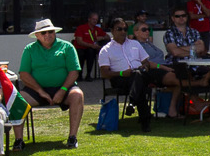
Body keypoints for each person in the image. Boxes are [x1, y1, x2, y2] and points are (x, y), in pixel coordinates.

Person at [17, 19, 85, 148]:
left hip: (64, 88)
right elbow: (24, 74)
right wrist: (41, 91)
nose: (47, 35)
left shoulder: (67, 47)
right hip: (36, 90)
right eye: (43, 33)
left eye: (50, 31)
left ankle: (72, 137)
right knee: (18, 100)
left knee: (77, 95)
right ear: (37, 35)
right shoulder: (29, 49)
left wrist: (62, 90)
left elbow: (74, 72)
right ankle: (18, 140)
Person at [94, 21, 155, 130]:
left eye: (125, 29)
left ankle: (132, 103)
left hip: (139, 75)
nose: (123, 32)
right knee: (140, 86)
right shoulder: (106, 50)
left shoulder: (135, 44)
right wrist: (122, 73)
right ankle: (143, 120)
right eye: (119, 29)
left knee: (138, 76)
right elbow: (104, 73)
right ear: (112, 31)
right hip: (120, 78)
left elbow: (145, 62)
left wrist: (144, 67)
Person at [161, 8, 210, 118]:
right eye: (178, 16)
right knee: (185, 75)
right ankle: (196, 102)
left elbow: (202, 48)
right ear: (173, 19)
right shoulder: (169, 33)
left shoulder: (194, 32)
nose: (181, 18)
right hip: (176, 64)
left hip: (195, 64)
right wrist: (193, 49)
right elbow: (174, 52)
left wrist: (181, 48)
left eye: (184, 15)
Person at [70, 12, 105, 79]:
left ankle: (88, 75)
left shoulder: (97, 29)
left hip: (91, 50)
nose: (95, 21)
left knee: (91, 52)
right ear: (89, 19)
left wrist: (102, 38)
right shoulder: (81, 28)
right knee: (81, 54)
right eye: (93, 19)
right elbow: (79, 41)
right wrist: (91, 45)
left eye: (96, 19)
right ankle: (79, 75)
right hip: (81, 48)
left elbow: (107, 37)